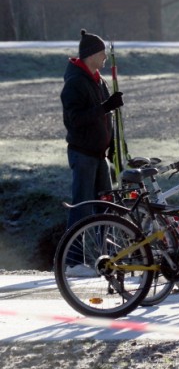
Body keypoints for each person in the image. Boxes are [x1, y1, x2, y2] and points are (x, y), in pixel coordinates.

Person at [60, 28, 124, 231]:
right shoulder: (75, 83)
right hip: (83, 154)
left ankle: (104, 253)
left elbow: (106, 117)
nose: (105, 56)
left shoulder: (99, 80)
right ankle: (73, 260)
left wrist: (112, 144)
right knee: (82, 208)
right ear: (91, 55)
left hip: (100, 155)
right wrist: (105, 107)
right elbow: (75, 120)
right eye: (102, 52)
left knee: (105, 206)